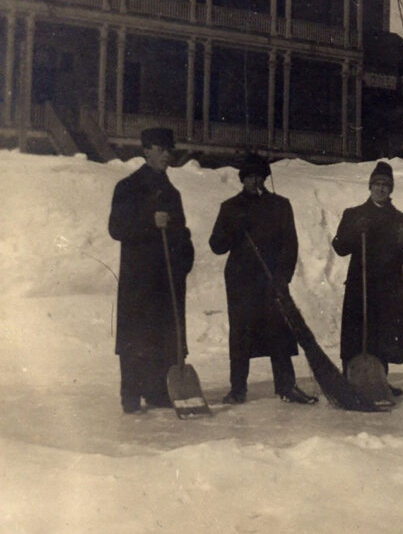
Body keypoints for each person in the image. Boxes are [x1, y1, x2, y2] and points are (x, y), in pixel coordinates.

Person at [209, 153, 318, 405]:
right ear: (242, 178)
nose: (254, 181)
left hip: (272, 281)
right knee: (240, 334)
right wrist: (232, 230)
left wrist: (283, 277)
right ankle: (237, 389)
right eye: (249, 176)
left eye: (259, 176)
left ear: (265, 178)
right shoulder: (230, 207)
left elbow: (290, 245)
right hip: (241, 282)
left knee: (279, 332)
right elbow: (216, 245)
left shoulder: (280, 205)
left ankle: (286, 386)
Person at [108, 128, 195, 414]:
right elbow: (116, 228)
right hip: (140, 279)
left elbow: (182, 232)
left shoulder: (173, 193)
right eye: (161, 149)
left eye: (170, 150)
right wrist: (149, 220)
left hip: (167, 278)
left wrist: (184, 258)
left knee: (163, 336)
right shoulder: (128, 187)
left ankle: (159, 391)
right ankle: (131, 394)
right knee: (137, 337)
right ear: (147, 150)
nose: (167, 156)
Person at [332, 161, 403, 396]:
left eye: (386, 185)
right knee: (356, 331)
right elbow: (340, 247)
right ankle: (350, 378)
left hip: (388, 288)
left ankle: (379, 379)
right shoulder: (353, 214)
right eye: (377, 184)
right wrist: (354, 231)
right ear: (370, 186)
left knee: (383, 335)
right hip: (360, 285)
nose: (381, 189)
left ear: (391, 189)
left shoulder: (401, 219)